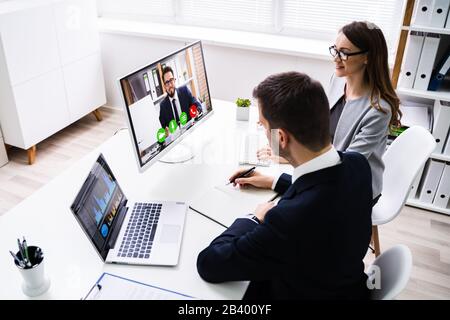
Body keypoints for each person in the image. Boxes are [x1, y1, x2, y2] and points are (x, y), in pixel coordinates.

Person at [197, 72, 373, 299]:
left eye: (262, 125)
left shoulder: (288, 222)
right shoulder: (358, 165)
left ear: (281, 137)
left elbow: (210, 263)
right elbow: (324, 186)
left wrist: (254, 217)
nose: (262, 131)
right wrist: (274, 180)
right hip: (342, 284)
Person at [257, 21, 401, 201]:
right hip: (327, 170)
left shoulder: (379, 110)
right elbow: (317, 127)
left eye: (345, 53)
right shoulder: (339, 80)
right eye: (335, 49)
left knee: (284, 208)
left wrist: (293, 158)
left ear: (367, 57)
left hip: (353, 184)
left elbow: (344, 166)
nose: (336, 58)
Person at [159, 66, 202, 131]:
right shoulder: (163, 106)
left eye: (171, 80)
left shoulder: (185, 91)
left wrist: (197, 111)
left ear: (174, 80)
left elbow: (197, 105)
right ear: (164, 86)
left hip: (190, 131)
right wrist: (165, 132)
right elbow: (163, 127)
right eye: (167, 82)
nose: (170, 85)